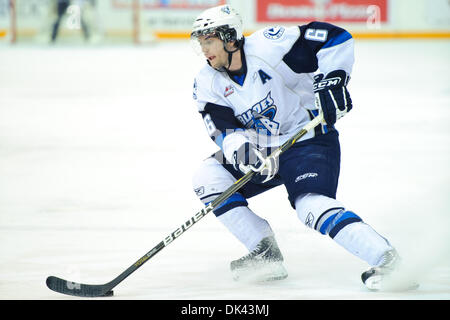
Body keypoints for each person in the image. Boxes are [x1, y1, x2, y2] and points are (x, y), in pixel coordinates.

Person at [190, 5, 411, 290]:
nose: (204, 49)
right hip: (263, 151)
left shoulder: (270, 45)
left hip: (307, 139)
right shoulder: (207, 81)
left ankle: (387, 259)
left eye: (209, 41)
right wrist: (241, 150)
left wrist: (334, 79)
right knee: (208, 177)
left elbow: (334, 37)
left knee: (310, 204)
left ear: (230, 38)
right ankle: (265, 253)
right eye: (200, 42)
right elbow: (220, 126)